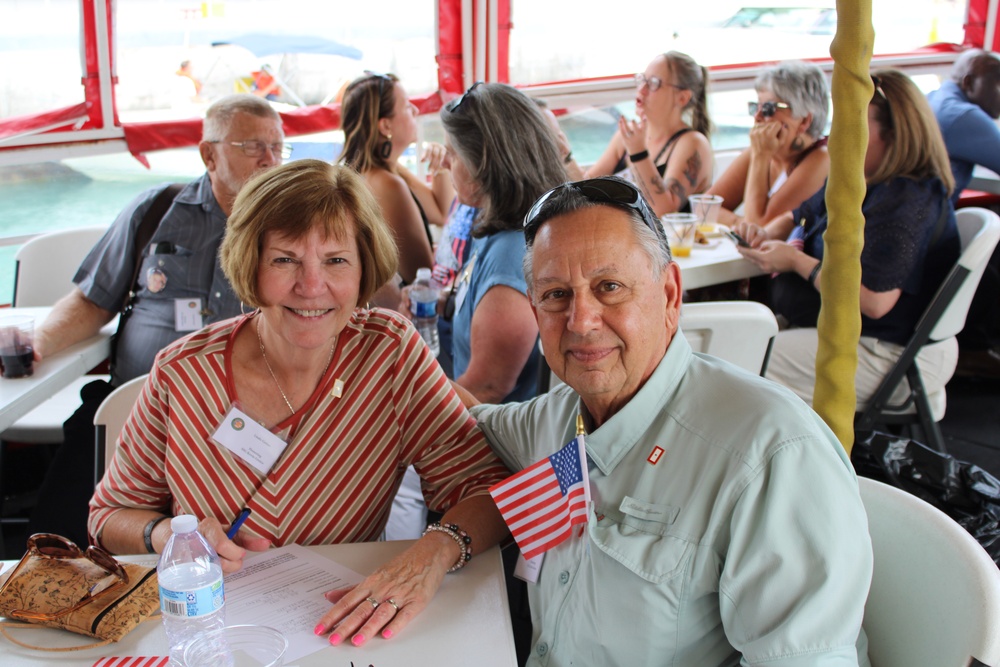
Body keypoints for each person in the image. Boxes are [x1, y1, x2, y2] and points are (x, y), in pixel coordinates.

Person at [88, 160, 510, 646]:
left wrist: (430, 555)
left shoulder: (387, 354)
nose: (312, 287)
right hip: (212, 635)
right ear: (251, 262)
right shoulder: (181, 372)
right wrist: (170, 539)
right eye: (285, 260)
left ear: (362, 266)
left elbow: (485, 487)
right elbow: (110, 514)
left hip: (345, 629)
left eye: (335, 260)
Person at [460, 176, 873, 666]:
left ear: (671, 296)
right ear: (535, 312)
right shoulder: (555, 418)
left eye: (609, 287)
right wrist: (387, 342)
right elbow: (463, 416)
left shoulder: (773, 456)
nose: (581, 320)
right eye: (555, 296)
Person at [27, 94, 286, 546]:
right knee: (58, 531)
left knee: (229, 539)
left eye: (278, 147)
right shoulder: (155, 211)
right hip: (130, 405)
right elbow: (92, 301)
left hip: (238, 421)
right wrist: (39, 343)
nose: (269, 159)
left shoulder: (286, 229)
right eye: (252, 146)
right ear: (209, 153)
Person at [735, 69, 960, 410]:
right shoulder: (858, 179)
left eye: (855, 121)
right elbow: (799, 215)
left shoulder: (908, 202)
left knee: (735, 363)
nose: (839, 133)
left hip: (884, 350)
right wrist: (766, 233)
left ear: (895, 133)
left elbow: (873, 301)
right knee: (729, 341)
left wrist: (797, 261)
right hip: (838, 330)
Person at [439, 82, 566, 403]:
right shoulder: (497, 227)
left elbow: (485, 388)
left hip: (496, 439)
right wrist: (447, 303)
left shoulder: (512, 251)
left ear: (482, 163)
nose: (443, 164)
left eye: (452, 153)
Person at [339, 72, 454, 285]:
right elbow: (423, 275)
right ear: (385, 126)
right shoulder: (387, 184)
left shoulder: (383, 170)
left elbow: (441, 212)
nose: (416, 111)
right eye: (407, 106)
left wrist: (441, 165)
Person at [928, 49, 1000, 377]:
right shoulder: (961, 115)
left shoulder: (935, 99)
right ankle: (973, 352)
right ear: (970, 82)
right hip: (929, 238)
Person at [585, 51, 713, 216]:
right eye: (642, 80)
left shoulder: (693, 143)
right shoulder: (628, 137)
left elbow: (664, 213)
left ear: (682, 98)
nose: (642, 89)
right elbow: (586, 187)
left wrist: (638, 153)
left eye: (654, 83)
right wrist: (565, 154)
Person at [708, 60, 830, 226]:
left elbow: (759, 228)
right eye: (755, 107)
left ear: (804, 121)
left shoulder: (822, 159)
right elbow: (704, 207)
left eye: (768, 108)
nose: (757, 116)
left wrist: (761, 156)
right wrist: (740, 223)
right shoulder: (761, 151)